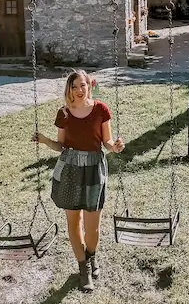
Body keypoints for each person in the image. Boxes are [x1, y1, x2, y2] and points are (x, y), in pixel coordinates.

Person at [33, 69, 124, 292]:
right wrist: (44, 140)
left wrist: (115, 147)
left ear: (89, 86)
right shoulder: (63, 113)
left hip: (94, 168)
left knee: (93, 227)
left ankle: (91, 257)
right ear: (69, 90)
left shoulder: (101, 109)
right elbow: (60, 146)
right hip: (70, 169)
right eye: (74, 87)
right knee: (74, 223)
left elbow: (107, 141)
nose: (79, 90)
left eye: (83, 85)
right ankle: (83, 268)